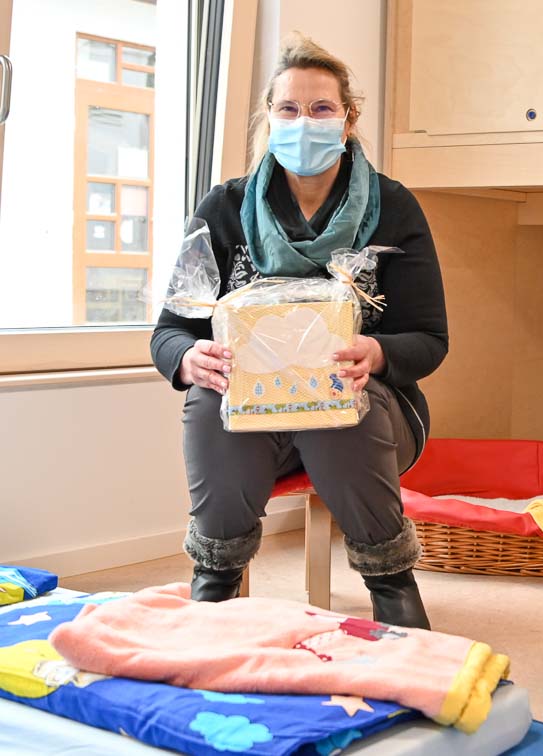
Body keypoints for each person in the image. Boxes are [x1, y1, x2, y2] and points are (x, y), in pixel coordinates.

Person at [150, 35, 447, 630]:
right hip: (254, 416)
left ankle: (390, 580)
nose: (303, 122)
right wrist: (190, 359)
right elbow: (170, 331)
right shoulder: (224, 209)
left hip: (372, 416)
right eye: (288, 109)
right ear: (269, 117)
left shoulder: (393, 207)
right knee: (210, 402)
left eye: (320, 108)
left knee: (336, 401)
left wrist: (376, 351)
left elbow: (430, 339)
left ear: (347, 118)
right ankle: (216, 580)